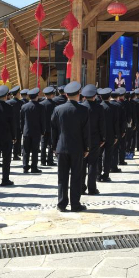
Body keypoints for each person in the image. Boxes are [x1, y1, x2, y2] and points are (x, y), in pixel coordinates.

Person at [51, 81, 90, 212]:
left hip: (61, 147)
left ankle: (61, 204)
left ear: (66, 95)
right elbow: (86, 132)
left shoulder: (58, 109)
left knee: (62, 177)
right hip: (77, 148)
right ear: (79, 94)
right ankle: (75, 204)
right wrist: (87, 148)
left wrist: (54, 147)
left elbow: (53, 130)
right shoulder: (83, 110)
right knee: (76, 176)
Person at [81, 84, 105, 196]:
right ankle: (92, 188)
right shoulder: (99, 108)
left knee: (82, 164)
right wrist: (103, 138)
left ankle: (81, 187)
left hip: (82, 140)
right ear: (95, 96)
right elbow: (102, 125)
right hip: (95, 139)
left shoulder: (81, 107)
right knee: (93, 164)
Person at [20, 88, 44, 174]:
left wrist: (22, 130)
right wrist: (43, 131)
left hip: (26, 131)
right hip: (36, 132)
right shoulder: (40, 107)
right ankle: (34, 167)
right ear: (37, 96)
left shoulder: (24, 106)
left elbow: (22, 120)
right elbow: (42, 121)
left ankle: (25, 167)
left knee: (26, 150)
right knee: (35, 150)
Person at [99, 88, 117, 182]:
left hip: (99, 135)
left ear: (100, 97)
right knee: (108, 155)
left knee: (98, 155)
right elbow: (116, 123)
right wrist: (116, 135)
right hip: (110, 134)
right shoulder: (113, 107)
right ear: (109, 97)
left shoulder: (98, 107)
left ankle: (98, 174)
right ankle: (106, 174)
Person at [40, 87, 57, 166]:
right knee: (51, 144)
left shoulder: (41, 104)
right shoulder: (54, 104)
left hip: (43, 127)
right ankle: (50, 161)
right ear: (52, 95)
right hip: (51, 127)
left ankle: (43, 161)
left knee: (43, 144)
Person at [7, 86, 23, 161]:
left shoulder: (8, 102)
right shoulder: (20, 103)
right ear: (17, 94)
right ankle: (15, 154)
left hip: (9, 124)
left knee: (9, 140)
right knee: (17, 140)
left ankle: (9, 154)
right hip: (18, 124)